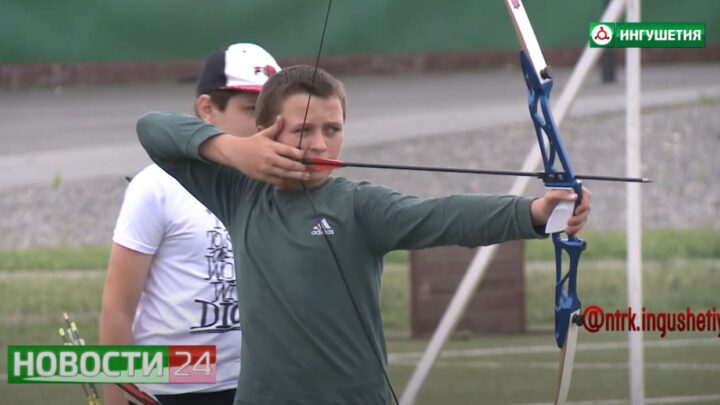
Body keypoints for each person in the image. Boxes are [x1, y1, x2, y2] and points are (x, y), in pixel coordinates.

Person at [136, 65, 591, 404]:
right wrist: (233, 149)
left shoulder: (358, 204)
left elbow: (443, 216)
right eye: (302, 130)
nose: (318, 144)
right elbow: (152, 129)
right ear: (265, 132)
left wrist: (535, 212)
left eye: (332, 130)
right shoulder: (240, 193)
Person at [99, 43, 293, 405]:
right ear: (207, 109)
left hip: (257, 383)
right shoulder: (155, 187)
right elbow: (118, 307)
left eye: (273, 113)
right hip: (173, 386)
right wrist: (116, 398)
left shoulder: (280, 185)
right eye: (251, 111)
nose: (265, 126)